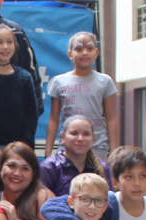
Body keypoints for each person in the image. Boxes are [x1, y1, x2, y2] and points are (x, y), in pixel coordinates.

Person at [45, 32, 117, 163]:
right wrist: (48, 151)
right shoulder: (59, 81)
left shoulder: (105, 81)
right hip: (68, 146)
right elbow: (54, 119)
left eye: (90, 48)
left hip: (97, 146)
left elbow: (111, 118)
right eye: (79, 49)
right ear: (70, 54)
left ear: (96, 52)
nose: (85, 53)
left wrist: (115, 151)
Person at [0, 23, 39, 156]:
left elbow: (32, 114)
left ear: (15, 45)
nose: (5, 46)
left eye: (9, 42)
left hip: (20, 147)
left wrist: (24, 144)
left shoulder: (24, 77)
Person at [0, 141, 50, 220]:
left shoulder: (42, 196)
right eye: (12, 166)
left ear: (33, 175)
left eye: (25, 168)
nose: (17, 173)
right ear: (0, 169)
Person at [39, 115, 113, 198]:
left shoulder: (103, 167)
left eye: (86, 134)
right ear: (63, 137)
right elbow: (44, 203)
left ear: (93, 138)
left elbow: (108, 201)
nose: (80, 138)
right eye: (74, 133)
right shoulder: (49, 167)